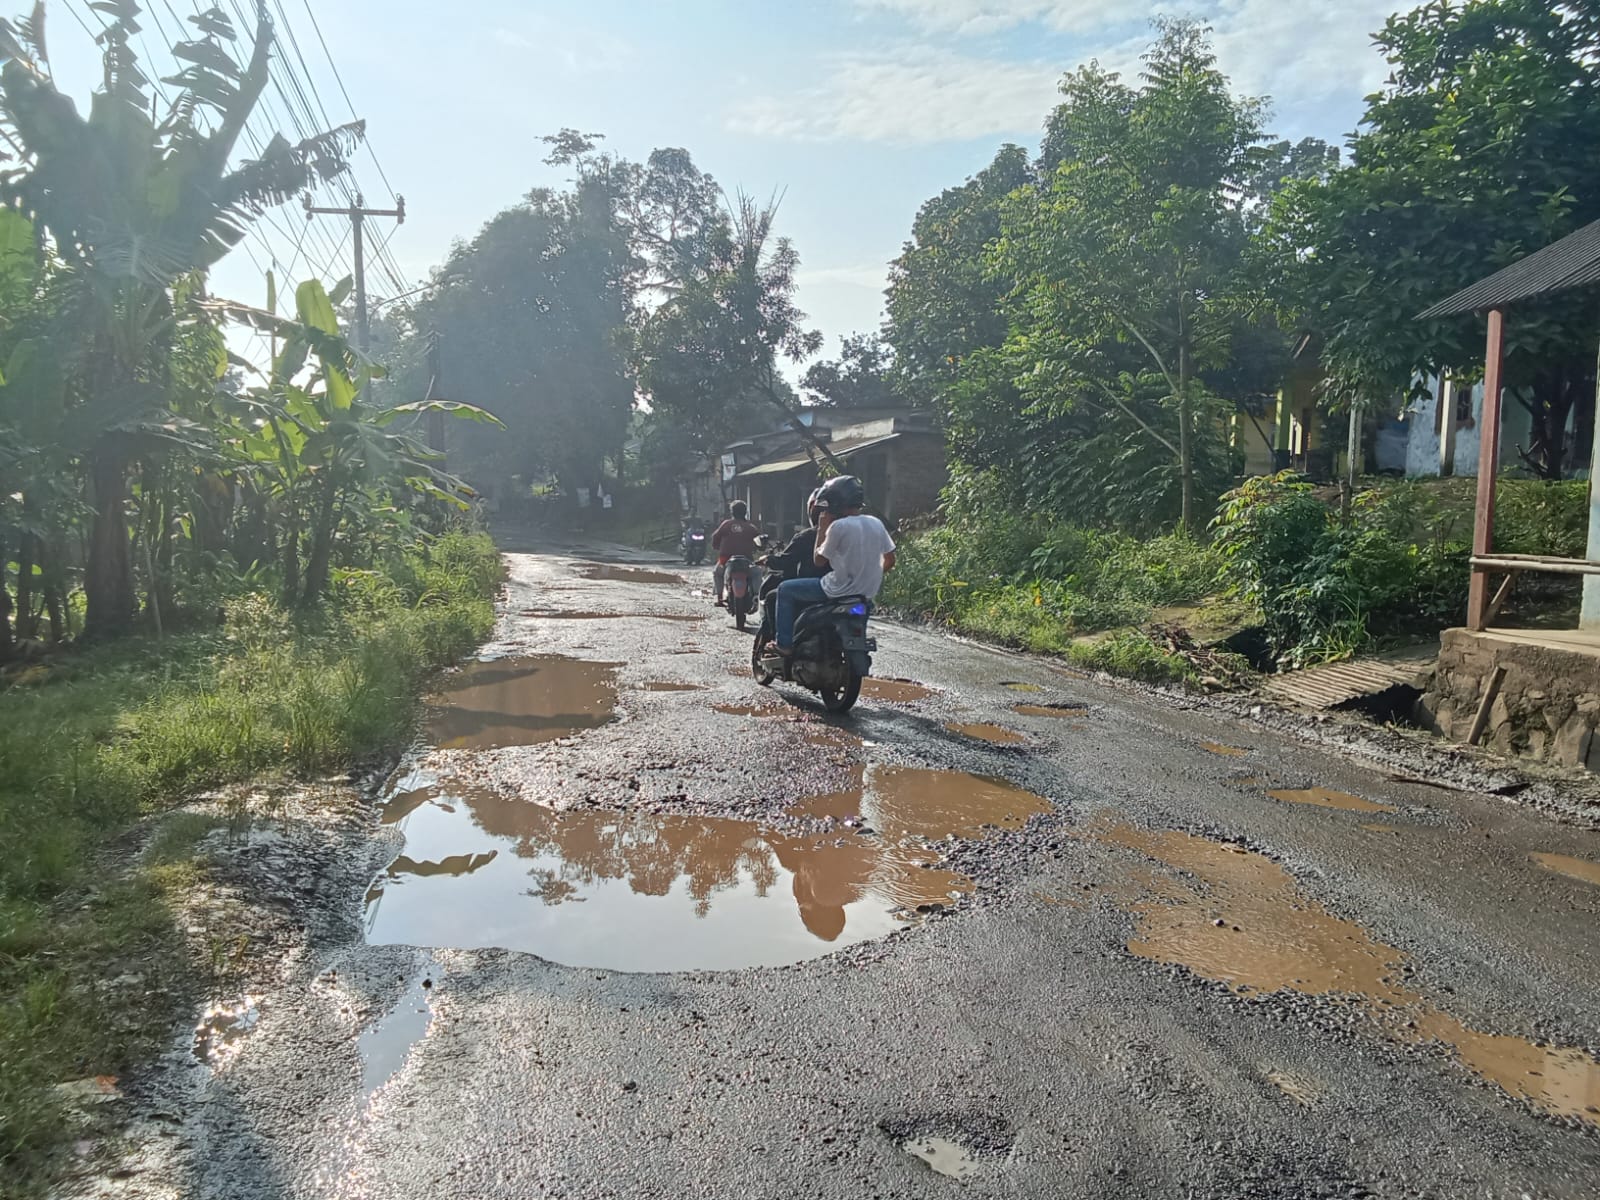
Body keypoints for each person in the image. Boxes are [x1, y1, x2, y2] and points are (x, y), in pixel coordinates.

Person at [768, 476, 895, 656]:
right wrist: (868, 575)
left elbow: (819, 560)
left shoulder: (838, 527)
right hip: (865, 595)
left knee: (784, 590)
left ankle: (784, 644)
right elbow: (890, 560)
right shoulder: (876, 523)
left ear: (836, 502)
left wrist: (822, 528)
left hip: (836, 590)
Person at [710, 501, 762, 606]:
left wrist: (716, 547)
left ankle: (720, 598)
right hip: (746, 560)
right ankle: (757, 596)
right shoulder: (750, 527)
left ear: (732, 512)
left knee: (717, 573)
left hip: (725, 559)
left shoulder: (726, 524)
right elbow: (759, 542)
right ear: (745, 512)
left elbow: (715, 538)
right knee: (757, 573)